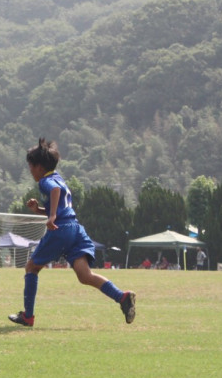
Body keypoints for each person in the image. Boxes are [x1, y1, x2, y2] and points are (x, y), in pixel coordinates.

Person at [9, 138, 136, 327]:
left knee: (31, 268)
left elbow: (55, 191)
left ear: (40, 166)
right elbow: (61, 202)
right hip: (76, 228)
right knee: (85, 276)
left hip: (61, 230)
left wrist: (51, 217)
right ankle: (122, 297)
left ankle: (28, 316)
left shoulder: (46, 181)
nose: (30, 171)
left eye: (31, 166)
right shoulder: (59, 177)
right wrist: (41, 211)